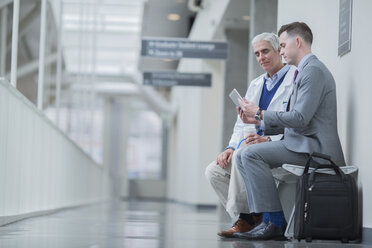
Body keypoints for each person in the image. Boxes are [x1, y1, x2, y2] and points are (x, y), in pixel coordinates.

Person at [233, 22, 345, 240]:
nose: (281, 51)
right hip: (302, 143)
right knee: (243, 154)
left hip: (314, 149)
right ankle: (265, 218)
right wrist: (257, 120)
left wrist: (262, 113)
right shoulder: (306, 71)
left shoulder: (313, 72)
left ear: (298, 42)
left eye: (283, 45)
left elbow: (300, 119)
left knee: (250, 154)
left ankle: (273, 222)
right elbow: (296, 119)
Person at [204, 32, 296, 238]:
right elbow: (241, 123)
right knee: (214, 171)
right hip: (250, 143)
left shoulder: (294, 79)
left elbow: (295, 121)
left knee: (243, 153)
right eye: (257, 54)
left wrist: (269, 139)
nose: (261, 57)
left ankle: (247, 219)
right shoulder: (256, 84)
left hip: (275, 146)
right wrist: (230, 147)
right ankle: (253, 217)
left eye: (265, 51)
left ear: (278, 51)